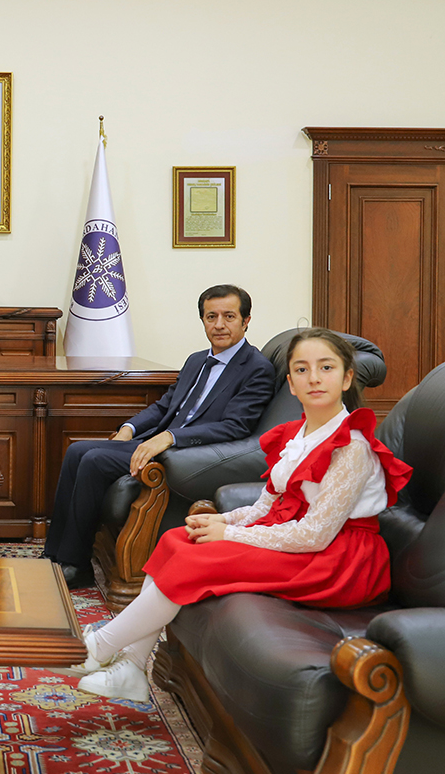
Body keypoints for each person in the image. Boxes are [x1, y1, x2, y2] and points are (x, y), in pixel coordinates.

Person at [73, 328, 411, 702]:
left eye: (326, 367)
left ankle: (99, 646)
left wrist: (230, 536)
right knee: (175, 539)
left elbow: (315, 535)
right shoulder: (297, 435)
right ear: (291, 384)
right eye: (302, 369)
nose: (314, 378)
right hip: (301, 539)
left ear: (347, 378)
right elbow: (267, 506)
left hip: (338, 560)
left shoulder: (351, 448)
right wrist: (224, 520)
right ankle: (132, 668)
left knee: (195, 560)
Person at [43, 285, 275, 589]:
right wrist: (129, 428)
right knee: (76, 451)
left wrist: (171, 437)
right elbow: (165, 406)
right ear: (203, 320)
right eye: (211, 317)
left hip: (189, 455)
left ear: (246, 321)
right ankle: (55, 554)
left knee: (95, 460)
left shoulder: (257, 368)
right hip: (157, 442)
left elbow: (235, 427)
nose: (219, 324)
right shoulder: (196, 360)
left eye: (229, 316)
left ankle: (77, 564)